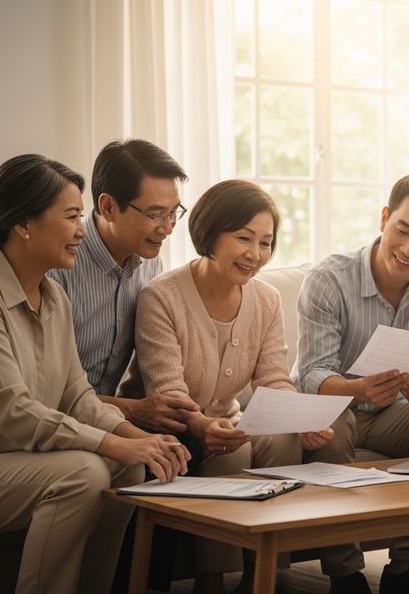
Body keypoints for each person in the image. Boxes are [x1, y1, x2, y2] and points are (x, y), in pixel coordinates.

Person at [0, 154, 189, 594]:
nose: (82, 229)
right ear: (25, 224)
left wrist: (136, 439)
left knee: (126, 468)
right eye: (73, 216)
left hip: (16, 460)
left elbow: (77, 395)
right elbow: (14, 411)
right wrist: (114, 441)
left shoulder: (53, 295)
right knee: (84, 472)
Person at [134, 179, 338, 594]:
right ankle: (210, 581)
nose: (255, 254)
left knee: (282, 441)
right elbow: (169, 391)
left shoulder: (266, 299)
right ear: (210, 232)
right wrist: (202, 426)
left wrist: (303, 421)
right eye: (243, 238)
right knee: (236, 450)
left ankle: (262, 576)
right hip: (176, 428)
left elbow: (274, 378)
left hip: (230, 423)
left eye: (265, 242)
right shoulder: (161, 297)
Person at [292, 173, 409, 594]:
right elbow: (312, 372)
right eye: (402, 230)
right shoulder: (329, 278)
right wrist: (358, 389)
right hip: (336, 405)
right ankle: (346, 575)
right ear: (384, 218)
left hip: (395, 412)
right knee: (330, 432)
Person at [49, 139, 200, 434]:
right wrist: (130, 410)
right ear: (108, 207)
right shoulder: (58, 266)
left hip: (113, 419)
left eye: (173, 213)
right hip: (61, 420)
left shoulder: (150, 264)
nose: (168, 228)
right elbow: (45, 389)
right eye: (155, 214)